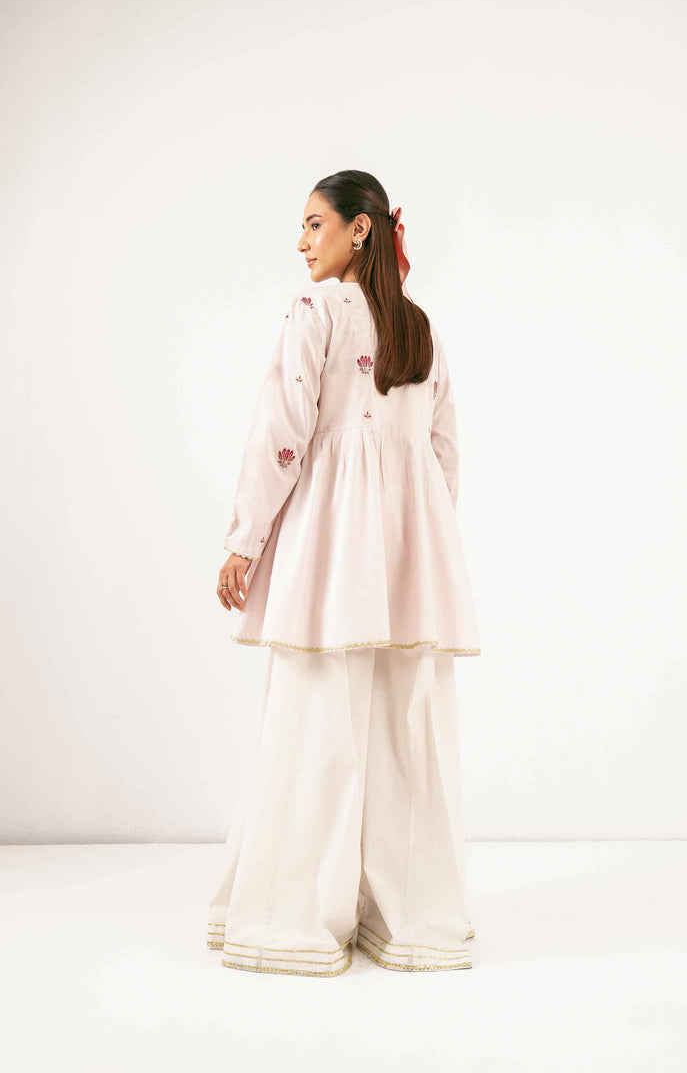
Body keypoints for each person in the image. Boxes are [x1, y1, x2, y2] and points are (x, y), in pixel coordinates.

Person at [206, 169, 481, 976]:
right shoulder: (421, 328)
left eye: (313, 223)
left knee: (315, 722)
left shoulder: (316, 312)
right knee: (408, 733)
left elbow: (282, 435)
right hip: (411, 557)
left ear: (360, 230)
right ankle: (413, 924)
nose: (301, 241)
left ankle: (292, 919)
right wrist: (419, 545)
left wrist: (246, 540)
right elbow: (444, 456)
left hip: (330, 550)